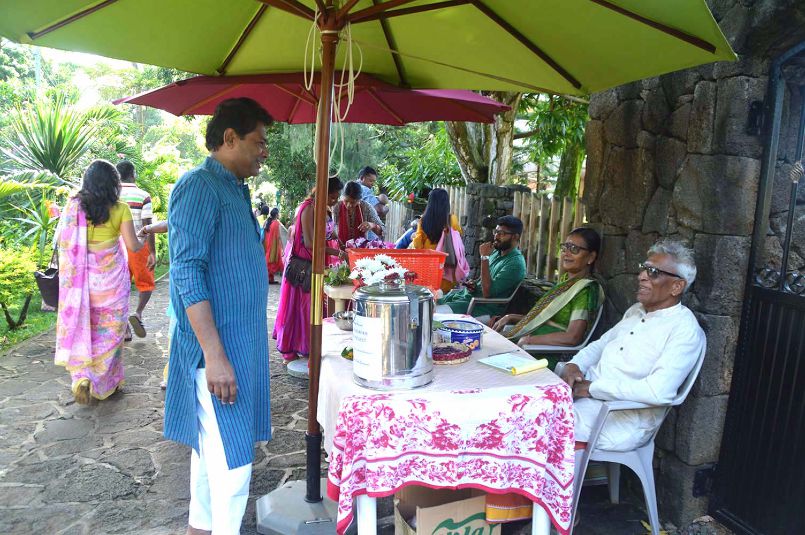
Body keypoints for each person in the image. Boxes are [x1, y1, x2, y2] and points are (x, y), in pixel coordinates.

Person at [487, 239, 706, 525]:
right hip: (590, 401)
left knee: (538, 424)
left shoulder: (684, 330)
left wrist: (592, 388)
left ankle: (558, 516)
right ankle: (519, 507)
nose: (642, 275)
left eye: (654, 272)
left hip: (623, 418)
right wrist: (576, 365)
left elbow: (659, 391)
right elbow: (599, 345)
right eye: (644, 268)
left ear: (677, 286)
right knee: (520, 407)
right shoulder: (636, 312)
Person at [164, 97, 273, 535]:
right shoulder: (198, 186)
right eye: (257, 142)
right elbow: (185, 272)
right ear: (229, 138)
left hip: (238, 349)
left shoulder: (232, 187)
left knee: (212, 458)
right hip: (219, 353)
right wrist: (214, 355)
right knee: (232, 465)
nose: (264, 151)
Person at [54, 159, 145, 404]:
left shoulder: (75, 207)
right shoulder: (121, 209)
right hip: (111, 285)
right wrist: (144, 237)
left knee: (87, 329)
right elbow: (133, 246)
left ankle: (83, 377)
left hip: (82, 285)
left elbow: (64, 243)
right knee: (110, 335)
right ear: (114, 184)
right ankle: (105, 383)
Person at [493, 227, 605, 366]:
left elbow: (573, 337)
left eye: (574, 249)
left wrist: (531, 341)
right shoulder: (565, 282)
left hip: (546, 353)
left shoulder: (584, 290)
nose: (566, 253)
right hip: (530, 344)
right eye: (565, 247)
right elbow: (544, 317)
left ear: (591, 257)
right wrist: (511, 317)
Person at [273, 176, 345, 365]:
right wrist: (334, 250)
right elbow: (310, 242)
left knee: (311, 308)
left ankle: (308, 347)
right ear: (323, 192)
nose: (334, 201)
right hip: (305, 265)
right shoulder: (308, 208)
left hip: (318, 261)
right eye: (332, 197)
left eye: (336, 198)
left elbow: (326, 235)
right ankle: (297, 349)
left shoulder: (323, 208)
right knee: (303, 309)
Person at [435, 215, 526, 320]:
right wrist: (474, 284)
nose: (496, 236)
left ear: (515, 237)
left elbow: (487, 292)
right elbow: (483, 280)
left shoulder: (516, 264)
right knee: (431, 300)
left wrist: (484, 257)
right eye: (495, 232)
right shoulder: (496, 252)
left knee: (433, 315)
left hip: (481, 307)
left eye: (501, 234)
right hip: (465, 298)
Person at [117, 160, 155, 339]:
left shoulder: (112, 196)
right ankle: (138, 313)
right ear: (133, 174)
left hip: (116, 246)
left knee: (120, 287)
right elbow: (149, 225)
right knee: (145, 283)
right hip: (139, 245)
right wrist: (152, 252)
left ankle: (124, 326)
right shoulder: (143, 196)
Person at [409, 188, 466, 292]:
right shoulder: (451, 219)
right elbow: (458, 237)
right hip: (446, 268)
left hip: (428, 267)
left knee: (429, 294)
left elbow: (418, 245)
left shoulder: (423, 220)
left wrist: (414, 237)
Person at [357, 166, 381, 240]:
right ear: (362, 178)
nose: (372, 184)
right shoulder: (364, 189)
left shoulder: (349, 187)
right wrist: (386, 206)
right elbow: (379, 209)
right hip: (367, 235)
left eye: (374, 181)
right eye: (371, 181)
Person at [263, 207, 285, 284]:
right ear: (276, 214)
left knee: (269, 261)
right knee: (277, 262)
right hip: (274, 246)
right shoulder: (276, 223)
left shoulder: (267, 222)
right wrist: (282, 247)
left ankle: (270, 279)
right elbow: (279, 236)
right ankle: (286, 280)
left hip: (267, 245)